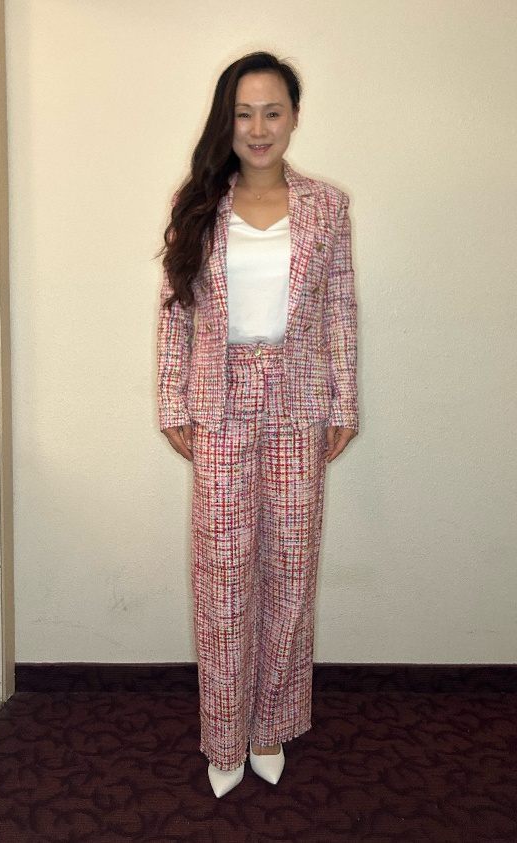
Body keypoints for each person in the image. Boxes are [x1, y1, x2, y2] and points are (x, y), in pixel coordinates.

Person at [158, 51, 358, 798]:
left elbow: (340, 310)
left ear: (295, 116)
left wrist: (344, 404)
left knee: (290, 571)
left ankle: (270, 723)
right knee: (223, 576)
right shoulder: (198, 202)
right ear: (227, 121)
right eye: (243, 113)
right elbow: (174, 310)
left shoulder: (327, 207)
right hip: (220, 403)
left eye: (272, 111)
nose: (258, 127)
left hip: (299, 403)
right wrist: (172, 401)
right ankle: (224, 733)